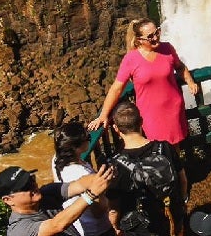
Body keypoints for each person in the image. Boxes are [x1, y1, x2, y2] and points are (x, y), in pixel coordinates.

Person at [88, 19, 198, 147]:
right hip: (150, 113)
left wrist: (190, 82)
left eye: (157, 32)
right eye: (150, 36)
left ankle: (176, 167)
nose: (156, 37)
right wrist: (103, 115)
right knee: (156, 149)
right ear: (139, 40)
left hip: (173, 108)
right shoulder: (131, 59)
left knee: (174, 149)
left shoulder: (167, 48)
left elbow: (179, 67)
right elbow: (116, 88)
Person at [108, 102, 186, 236]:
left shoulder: (114, 165)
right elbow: (183, 179)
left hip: (139, 227)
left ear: (116, 128)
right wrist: (182, 203)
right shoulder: (165, 148)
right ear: (141, 121)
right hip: (171, 216)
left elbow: (114, 207)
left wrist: (114, 226)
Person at [0, 164, 113, 236]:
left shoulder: (46, 193)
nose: (33, 185)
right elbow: (56, 225)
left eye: (32, 179)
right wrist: (91, 194)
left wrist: (103, 176)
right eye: (25, 187)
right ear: (8, 200)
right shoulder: (19, 229)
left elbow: (79, 184)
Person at [51, 122, 116, 236]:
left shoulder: (56, 159)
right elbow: (98, 211)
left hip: (77, 225)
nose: (90, 140)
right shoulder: (82, 173)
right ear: (76, 148)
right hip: (97, 229)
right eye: (88, 138)